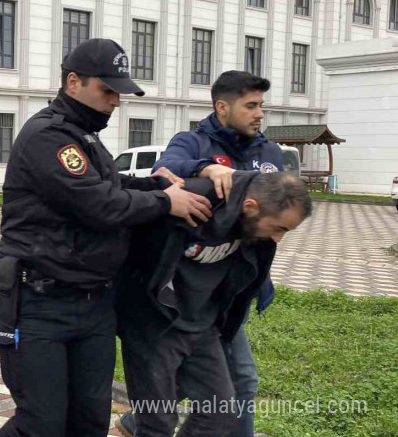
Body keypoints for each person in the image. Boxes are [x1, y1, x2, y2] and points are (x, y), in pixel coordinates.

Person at [0, 38, 212, 437]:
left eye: (119, 92)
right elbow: (99, 204)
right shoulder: (48, 136)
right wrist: (165, 202)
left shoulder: (84, 136)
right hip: (40, 306)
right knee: (41, 424)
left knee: (89, 422)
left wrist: (153, 183)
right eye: (107, 90)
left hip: (94, 306)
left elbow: (108, 183)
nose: (116, 101)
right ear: (73, 82)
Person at [116, 70, 284, 437]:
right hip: (178, 294)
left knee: (219, 383)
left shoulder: (269, 153)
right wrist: (205, 169)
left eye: (262, 106)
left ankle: (135, 420)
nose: (259, 114)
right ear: (222, 107)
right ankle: (142, 420)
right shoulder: (193, 143)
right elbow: (166, 169)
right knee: (237, 382)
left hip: (229, 290)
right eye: (251, 105)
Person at [116, 172, 311, 437]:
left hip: (203, 325)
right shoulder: (191, 199)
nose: (278, 240)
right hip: (153, 325)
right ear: (250, 206)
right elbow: (112, 204)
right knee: (158, 422)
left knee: (220, 412)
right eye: (279, 228)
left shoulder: (258, 232)